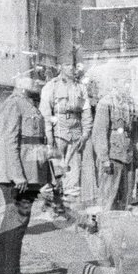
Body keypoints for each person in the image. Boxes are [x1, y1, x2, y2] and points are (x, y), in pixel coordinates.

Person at [0, 72, 52, 274]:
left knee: (16, 223)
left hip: (29, 175)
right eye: (32, 79)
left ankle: (5, 270)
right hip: (18, 178)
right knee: (16, 224)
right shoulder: (14, 105)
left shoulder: (28, 104)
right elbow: (9, 142)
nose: (37, 82)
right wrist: (18, 175)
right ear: (20, 84)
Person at [40, 64, 86, 213]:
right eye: (67, 65)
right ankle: (51, 201)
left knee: (74, 169)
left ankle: (69, 205)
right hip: (58, 131)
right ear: (60, 67)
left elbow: (86, 113)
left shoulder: (80, 87)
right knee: (55, 169)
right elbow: (45, 113)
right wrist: (49, 136)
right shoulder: (51, 86)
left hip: (76, 132)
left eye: (73, 65)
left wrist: (86, 133)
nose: (71, 68)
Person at [90, 87, 137, 212]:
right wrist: (104, 159)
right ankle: (103, 227)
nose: (126, 84)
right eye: (121, 80)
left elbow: (133, 132)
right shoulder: (106, 103)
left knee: (126, 198)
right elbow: (99, 133)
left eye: (128, 81)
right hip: (112, 157)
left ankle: (120, 227)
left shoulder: (130, 103)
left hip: (127, 156)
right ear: (114, 83)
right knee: (108, 197)